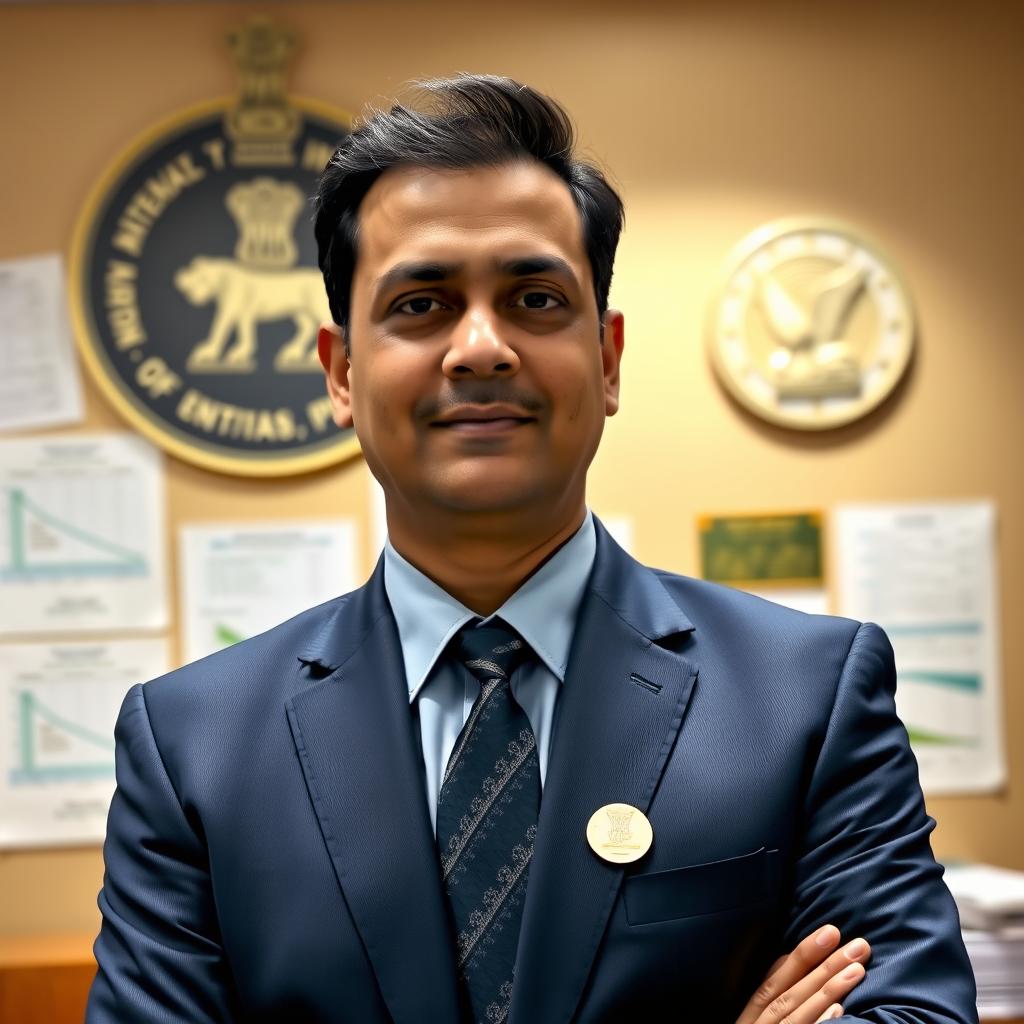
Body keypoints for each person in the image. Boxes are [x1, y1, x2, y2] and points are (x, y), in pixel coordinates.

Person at [86, 76, 977, 1024]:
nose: (480, 347)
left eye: (536, 298)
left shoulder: (807, 696)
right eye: (422, 303)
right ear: (342, 374)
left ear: (606, 359)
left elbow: (912, 1013)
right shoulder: (192, 748)